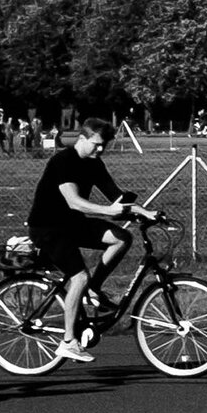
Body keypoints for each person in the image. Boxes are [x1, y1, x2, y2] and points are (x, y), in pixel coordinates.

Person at [27, 119, 154, 362]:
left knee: (121, 238)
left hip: (72, 224)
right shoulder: (63, 162)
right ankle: (68, 342)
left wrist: (147, 212)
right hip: (48, 227)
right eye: (96, 145)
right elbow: (74, 201)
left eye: (104, 146)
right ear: (82, 139)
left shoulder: (95, 164)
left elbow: (117, 197)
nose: (100, 150)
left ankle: (93, 290)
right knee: (79, 276)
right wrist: (108, 212)